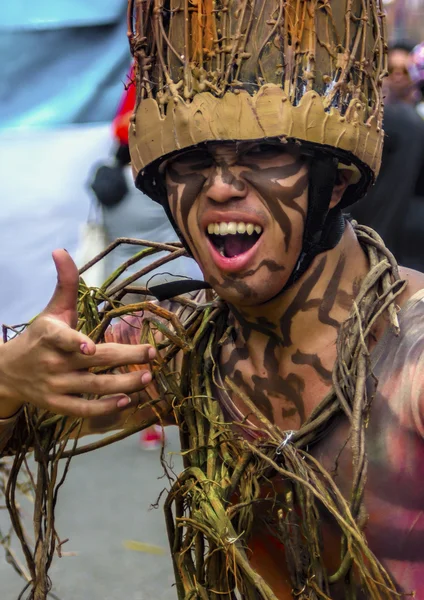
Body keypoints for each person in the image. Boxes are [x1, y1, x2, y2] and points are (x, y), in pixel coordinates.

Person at [1, 2, 424, 598]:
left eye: (262, 153)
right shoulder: (181, 347)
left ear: (338, 182)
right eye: (194, 161)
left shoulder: (412, 354)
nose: (222, 187)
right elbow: (22, 427)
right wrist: (10, 380)